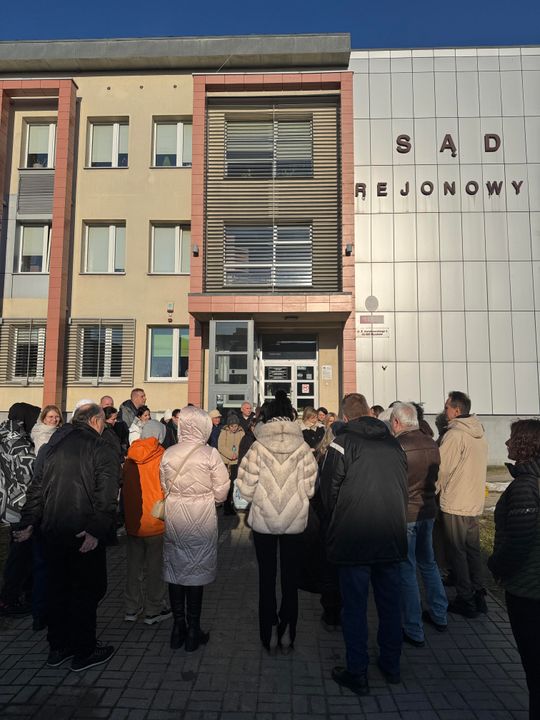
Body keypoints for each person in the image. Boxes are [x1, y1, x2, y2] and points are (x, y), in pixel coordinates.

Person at [15, 404, 120, 672]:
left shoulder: (52, 445)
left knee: (57, 589)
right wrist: (97, 529)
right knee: (87, 590)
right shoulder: (101, 447)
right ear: (95, 421)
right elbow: (107, 495)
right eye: (103, 422)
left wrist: (29, 522)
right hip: (83, 531)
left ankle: (58, 646)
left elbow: (36, 488)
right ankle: (84, 650)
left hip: (53, 530)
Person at [320, 393, 408, 696]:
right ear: (370, 412)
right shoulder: (393, 443)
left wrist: (336, 521)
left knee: (355, 608)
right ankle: (391, 665)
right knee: (390, 605)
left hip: (354, 537)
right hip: (390, 534)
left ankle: (357, 672)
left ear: (345, 417)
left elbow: (328, 492)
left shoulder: (342, 443)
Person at [237, 394, 318, 654]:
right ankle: (287, 633)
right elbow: (310, 488)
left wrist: (262, 496)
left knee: (266, 578)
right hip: (294, 522)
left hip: (264, 522)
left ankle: (269, 631)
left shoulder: (257, 447)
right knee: (290, 579)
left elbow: (245, 487)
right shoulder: (303, 447)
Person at [160, 406, 229, 651]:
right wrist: (212, 499)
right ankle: (193, 630)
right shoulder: (209, 453)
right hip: (201, 515)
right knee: (196, 571)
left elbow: (163, 484)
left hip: (175, 514)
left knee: (175, 570)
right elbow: (222, 489)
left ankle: (178, 628)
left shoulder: (169, 452)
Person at [489, 420, 540, 720]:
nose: (507, 443)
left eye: (512, 439)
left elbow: (519, 541)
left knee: (535, 669)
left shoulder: (524, 487)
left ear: (524, 445)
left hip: (527, 589)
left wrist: (496, 566)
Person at [390, 403, 448, 646]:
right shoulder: (431, 442)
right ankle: (440, 613)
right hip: (427, 510)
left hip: (407, 514)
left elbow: (393, 482)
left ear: (396, 422)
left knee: (407, 568)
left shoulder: (398, 446)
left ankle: (413, 628)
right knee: (428, 563)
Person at [437, 391, 488, 618]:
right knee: (472, 550)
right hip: (474, 500)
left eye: (447, 407)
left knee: (457, 552)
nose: (444, 411)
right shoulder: (479, 433)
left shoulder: (455, 434)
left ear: (457, 410)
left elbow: (441, 469)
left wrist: (433, 490)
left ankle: (465, 599)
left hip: (456, 502)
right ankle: (478, 593)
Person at [122, 419, 170, 626]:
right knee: (155, 568)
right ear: (160, 435)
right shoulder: (162, 456)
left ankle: (131, 608)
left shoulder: (130, 456)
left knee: (133, 568)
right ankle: (153, 609)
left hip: (134, 518)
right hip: (155, 519)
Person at [0, 404, 38, 616]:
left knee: (18, 550)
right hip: (21, 504)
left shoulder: (4, 436)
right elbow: (28, 476)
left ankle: (18, 594)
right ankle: (10, 599)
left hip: (8, 502)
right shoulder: (20, 443)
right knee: (20, 554)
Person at [218, 411, 245, 515]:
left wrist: (237, 454)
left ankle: (233, 504)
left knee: (234, 484)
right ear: (228, 426)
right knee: (226, 485)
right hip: (226, 462)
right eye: (232, 426)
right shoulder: (224, 432)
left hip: (236, 462)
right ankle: (226, 506)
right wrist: (230, 454)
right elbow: (221, 446)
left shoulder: (241, 432)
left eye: (236, 426)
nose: (234, 428)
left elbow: (242, 445)